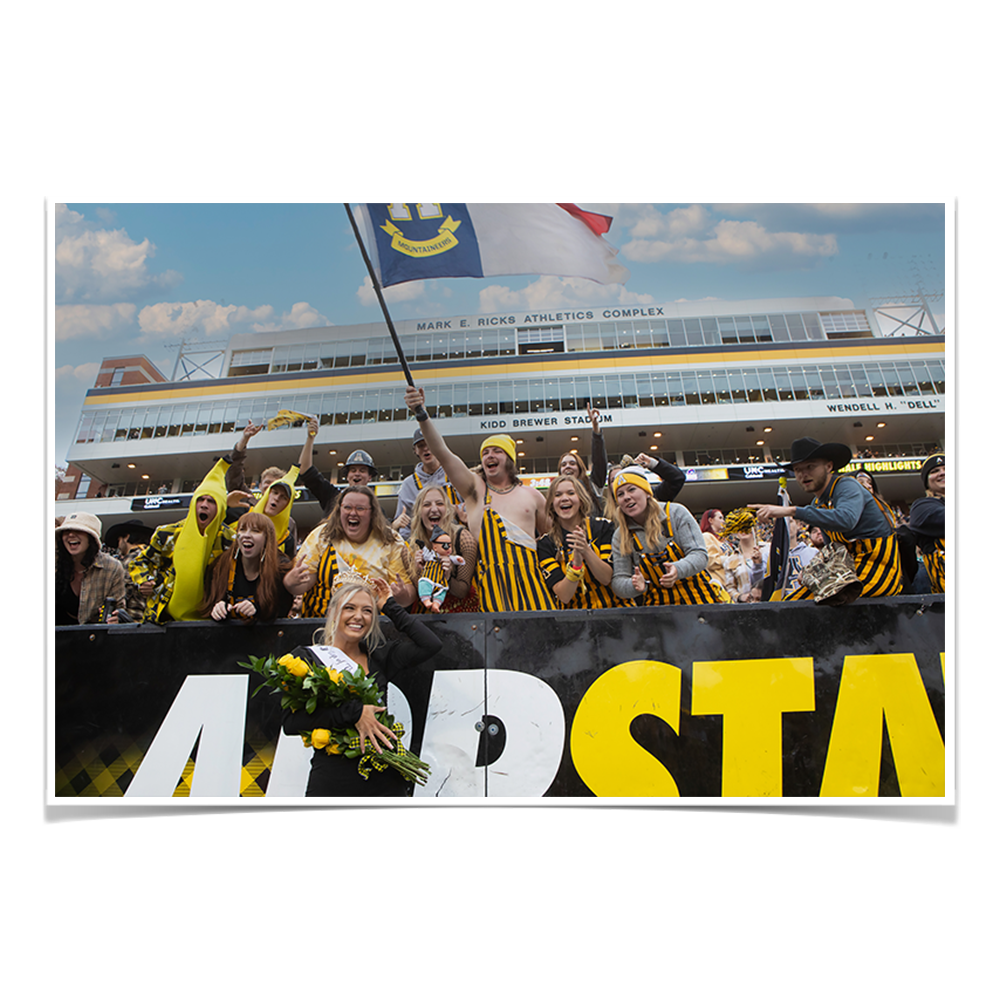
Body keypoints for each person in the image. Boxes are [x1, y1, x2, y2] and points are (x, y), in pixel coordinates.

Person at [280, 578, 442, 797]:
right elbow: (291, 722)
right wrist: (355, 714)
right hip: (332, 780)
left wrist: (389, 606)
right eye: (349, 608)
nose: (358, 616)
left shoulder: (380, 656)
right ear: (332, 612)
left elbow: (431, 644)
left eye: (367, 610)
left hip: (384, 778)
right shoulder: (306, 659)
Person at [404, 385, 554, 612]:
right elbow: (443, 452)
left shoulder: (533, 495)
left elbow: (552, 540)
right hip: (490, 592)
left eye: (497, 451)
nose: (489, 456)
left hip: (533, 589)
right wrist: (421, 414)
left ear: (510, 459)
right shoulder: (475, 490)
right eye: (485, 452)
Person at [750, 437, 903, 600]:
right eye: (798, 469)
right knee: (789, 603)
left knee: (812, 604)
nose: (803, 474)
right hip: (848, 573)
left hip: (878, 570)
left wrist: (791, 510)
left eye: (810, 466)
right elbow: (833, 549)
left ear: (829, 466)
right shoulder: (818, 503)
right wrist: (809, 571)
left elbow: (846, 519)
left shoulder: (847, 485)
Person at [127, 458, 239, 622]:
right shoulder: (168, 534)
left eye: (211, 501)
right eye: (200, 499)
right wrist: (144, 580)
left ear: (221, 508)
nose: (204, 505)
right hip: (164, 618)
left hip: (210, 618)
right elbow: (140, 562)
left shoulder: (231, 539)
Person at [285, 484, 416, 617]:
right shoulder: (321, 535)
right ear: (339, 510)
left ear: (372, 513)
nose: (353, 513)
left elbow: (407, 596)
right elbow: (302, 584)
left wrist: (402, 595)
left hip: (373, 626)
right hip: (322, 623)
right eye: (347, 507)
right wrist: (292, 582)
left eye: (360, 508)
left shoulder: (391, 540)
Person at [609, 468, 730, 605]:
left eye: (632, 489)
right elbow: (618, 581)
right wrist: (634, 586)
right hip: (658, 610)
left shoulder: (676, 513)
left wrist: (677, 569)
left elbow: (700, 555)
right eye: (620, 494)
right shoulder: (620, 536)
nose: (626, 497)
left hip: (700, 600)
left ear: (647, 492)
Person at [538, 475, 631, 609]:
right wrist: (576, 565)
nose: (564, 498)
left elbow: (606, 578)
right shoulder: (546, 544)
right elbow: (564, 596)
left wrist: (586, 550)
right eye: (557, 495)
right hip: (575, 620)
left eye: (571, 493)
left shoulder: (603, 527)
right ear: (552, 503)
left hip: (616, 611)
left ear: (581, 500)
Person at [198, 512, 295, 622]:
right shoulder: (220, 565)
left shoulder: (281, 567)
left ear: (267, 538)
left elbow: (282, 610)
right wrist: (218, 607)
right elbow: (207, 606)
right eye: (242, 530)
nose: (246, 535)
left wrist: (257, 609)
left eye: (255, 531)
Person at [224, 419, 301, 549]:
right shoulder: (246, 504)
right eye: (267, 483)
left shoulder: (289, 523)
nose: (269, 487)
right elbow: (234, 473)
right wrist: (244, 440)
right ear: (260, 486)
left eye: (275, 486)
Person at [407, 484, 480, 613]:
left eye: (440, 504)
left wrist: (447, 577)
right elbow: (421, 593)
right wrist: (423, 572)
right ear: (419, 512)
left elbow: (462, 590)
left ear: (447, 510)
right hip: (426, 615)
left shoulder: (463, 539)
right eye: (427, 504)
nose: (434, 509)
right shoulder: (410, 548)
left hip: (461, 615)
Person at [55, 512, 128, 625]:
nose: (70, 535)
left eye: (78, 530)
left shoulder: (111, 567)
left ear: (91, 538)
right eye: (66, 531)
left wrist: (115, 618)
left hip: (92, 636)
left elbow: (119, 607)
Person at [393, 427, 465, 540]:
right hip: (423, 544)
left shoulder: (455, 474)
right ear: (415, 450)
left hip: (455, 539)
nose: (426, 448)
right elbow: (402, 525)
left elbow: (473, 506)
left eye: (429, 443)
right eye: (420, 446)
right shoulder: (408, 484)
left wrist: (455, 509)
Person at [555, 402, 608, 510]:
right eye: (563, 464)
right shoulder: (556, 492)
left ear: (580, 468)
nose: (567, 466)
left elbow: (599, 461)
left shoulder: (593, 484)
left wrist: (595, 428)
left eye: (572, 463)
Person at [908, 453, 945, 593]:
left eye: (945, 468)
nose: (942, 473)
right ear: (927, 483)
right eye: (935, 471)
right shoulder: (922, 507)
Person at [104, 519, 154, 621]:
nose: (118, 546)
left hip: (131, 622)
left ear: (126, 537)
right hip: (153, 621)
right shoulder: (155, 558)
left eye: (118, 540)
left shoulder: (129, 561)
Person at [416, 526, 465, 613]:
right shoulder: (431, 556)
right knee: (423, 584)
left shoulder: (449, 558)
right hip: (429, 577)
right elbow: (426, 554)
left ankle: (436, 604)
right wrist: (422, 547)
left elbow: (455, 559)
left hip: (440, 581)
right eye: (444, 545)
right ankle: (426, 600)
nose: (447, 548)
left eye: (449, 545)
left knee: (441, 592)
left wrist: (459, 560)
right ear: (435, 547)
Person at [699, 509, 730, 594]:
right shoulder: (706, 536)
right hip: (719, 585)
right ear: (711, 520)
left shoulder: (722, 540)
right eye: (720, 518)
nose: (723, 521)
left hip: (729, 584)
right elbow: (711, 561)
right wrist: (730, 560)